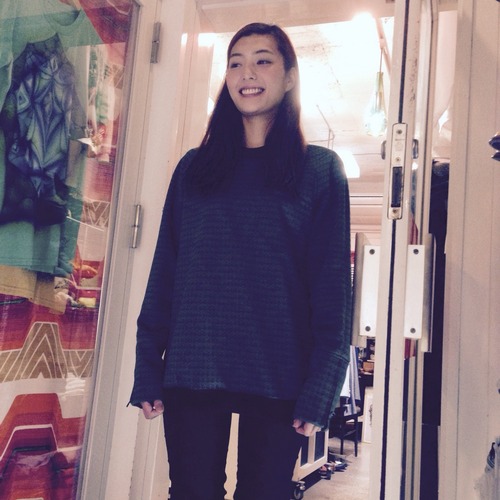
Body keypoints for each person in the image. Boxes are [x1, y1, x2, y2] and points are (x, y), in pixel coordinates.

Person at [130, 22, 352, 500]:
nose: (247, 73)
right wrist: (148, 363)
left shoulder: (320, 171)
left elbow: (332, 292)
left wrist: (323, 387)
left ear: (289, 77)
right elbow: (165, 273)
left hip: (279, 372)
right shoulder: (194, 168)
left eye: (262, 60)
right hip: (194, 364)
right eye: (235, 63)